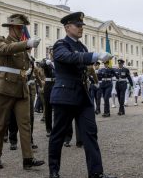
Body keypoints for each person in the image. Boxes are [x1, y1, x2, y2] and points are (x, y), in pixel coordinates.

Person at [48, 12, 116, 178]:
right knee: (58, 134)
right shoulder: (60, 44)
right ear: (67, 27)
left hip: (82, 95)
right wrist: (94, 56)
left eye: (81, 26)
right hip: (65, 94)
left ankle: (96, 173)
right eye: (77, 26)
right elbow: (69, 57)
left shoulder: (82, 47)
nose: (81, 29)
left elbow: (84, 65)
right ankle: (54, 171)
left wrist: (93, 62)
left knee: (90, 133)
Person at [0, 14, 44, 170]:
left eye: (23, 28)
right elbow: (5, 50)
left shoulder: (23, 46)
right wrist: (26, 43)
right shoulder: (2, 41)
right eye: (19, 27)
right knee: (0, 125)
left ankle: (28, 159)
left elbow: (26, 67)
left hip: (21, 87)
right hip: (4, 88)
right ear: (11, 27)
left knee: (25, 124)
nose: (21, 30)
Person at [40, 48, 56, 137]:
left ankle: (57, 128)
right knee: (48, 107)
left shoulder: (59, 61)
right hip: (49, 84)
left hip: (57, 84)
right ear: (50, 53)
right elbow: (41, 65)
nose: (53, 53)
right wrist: (46, 62)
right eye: (52, 52)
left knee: (58, 108)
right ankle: (49, 129)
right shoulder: (47, 61)